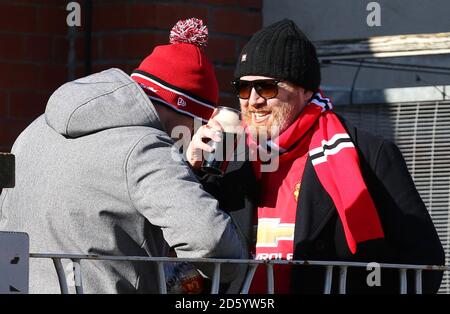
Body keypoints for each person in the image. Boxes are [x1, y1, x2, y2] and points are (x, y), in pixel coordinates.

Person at [186, 19, 445, 294]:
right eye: (243, 88)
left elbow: (422, 264)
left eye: (267, 87)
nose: (253, 100)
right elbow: (194, 246)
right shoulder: (230, 158)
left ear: (305, 90)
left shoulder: (367, 155)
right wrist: (193, 173)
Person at [0, 18, 243, 294]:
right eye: (196, 126)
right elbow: (213, 242)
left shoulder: (32, 131)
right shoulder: (146, 148)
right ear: (186, 114)